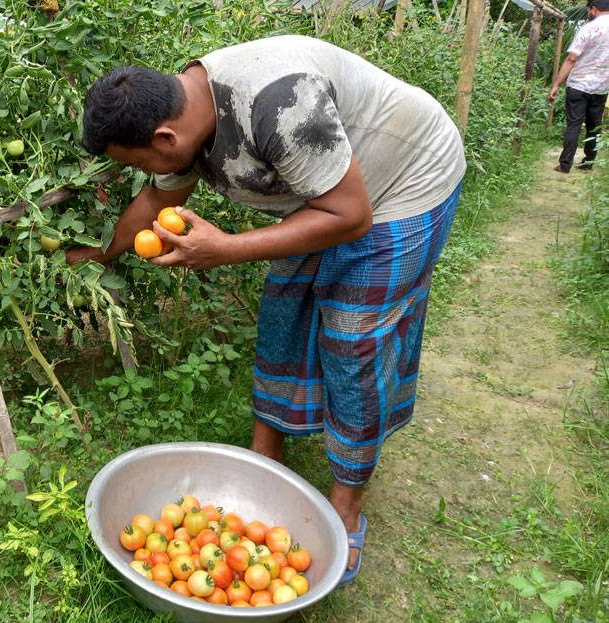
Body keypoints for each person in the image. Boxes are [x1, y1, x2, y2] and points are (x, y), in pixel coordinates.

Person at [69, 35, 466, 586]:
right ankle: (263, 463)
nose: (146, 171)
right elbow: (160, 200)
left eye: (139, 162)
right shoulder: (183, 109)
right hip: (319, 193)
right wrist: (101, 251)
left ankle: (346, 505)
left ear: (163, 136)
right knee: (284, 318)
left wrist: (227, 247)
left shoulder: (279, 103)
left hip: (403, 182)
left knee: (353, 343)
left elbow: (351, 217)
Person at [548, 0, 609, 173]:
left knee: (574, 125)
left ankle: (565, 164)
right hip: (602, 87)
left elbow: (571, 59)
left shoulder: (588, 29)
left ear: (594, 9)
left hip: (578, 86)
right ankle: (588, 163)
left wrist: (556, 85)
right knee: (594, 126)